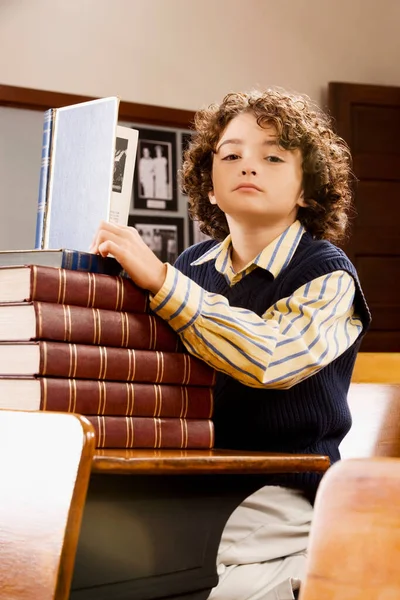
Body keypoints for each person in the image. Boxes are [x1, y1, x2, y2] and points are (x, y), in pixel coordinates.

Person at [90, 88, 371, 600]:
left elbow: (273, 357)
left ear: (308, 190)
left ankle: (311, 557)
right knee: (96, 539)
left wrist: (161, 283)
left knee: (186, 560)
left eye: (273, 156)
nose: (249, 166)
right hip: (195, 473)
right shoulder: (190, 266)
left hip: (287, 483)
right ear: (210, 188)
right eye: (231, 155)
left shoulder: (327, 274)